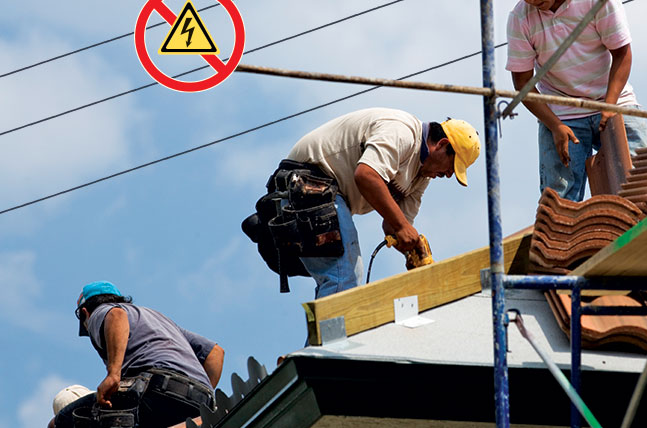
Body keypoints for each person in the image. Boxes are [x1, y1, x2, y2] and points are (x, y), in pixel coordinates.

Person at [254, 107, 480, 299]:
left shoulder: (421, 176)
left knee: (343, 278)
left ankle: (320, 347)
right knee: (344, 276)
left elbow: (394, 225)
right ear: (441, 144)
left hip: (323, 195)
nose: (450, 174)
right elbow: (366, 175)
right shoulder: (402, 132)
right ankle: (327, 350)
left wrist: (412, 252)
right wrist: (403, 228)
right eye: (453, 165)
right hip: (307, 182)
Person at [503, 0, 647, 202]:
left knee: (639, 182)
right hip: (562, 112)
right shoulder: (520, 19)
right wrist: (555, 126)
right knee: (559, 200)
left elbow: (622, 53)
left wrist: (610, 105)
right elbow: (523, 85)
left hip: (614, 100)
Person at [54, 281, 225, 428]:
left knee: (61, 421)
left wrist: (113, 374)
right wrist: (195, 394)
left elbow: (116, 315)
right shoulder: (160, 320)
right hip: (200, 401)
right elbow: (215, 352)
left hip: (155, 391)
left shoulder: (100, 312)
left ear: (84, 312)